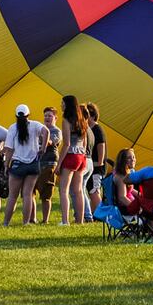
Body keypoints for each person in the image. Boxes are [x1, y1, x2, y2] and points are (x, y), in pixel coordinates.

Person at [0, 104, 47, 226]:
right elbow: (46, 131)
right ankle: (25, 222)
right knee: (28, 194)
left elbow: (9, 149)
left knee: (12, 196)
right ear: (28, 115)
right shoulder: (35, 125)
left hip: (17, 164)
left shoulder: (13, 128)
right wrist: (43, 148)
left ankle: (6, 223)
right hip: (33, 164)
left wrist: (6, 165)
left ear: (16, 116)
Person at [56, 95, 90, 225]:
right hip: (82, 156)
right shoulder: (82, 119)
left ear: (68, 105)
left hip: (71, 155)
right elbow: (85, 142)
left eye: (63, 103)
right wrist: (83, 155)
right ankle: (80, 221)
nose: (61, 105)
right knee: (79, 190)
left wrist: (59, 164)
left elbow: (67, 144)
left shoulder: (66, 120)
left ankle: (65, 221)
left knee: (63, 190)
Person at [35, 106, 62, 224]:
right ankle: (32, 218)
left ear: (55, 118)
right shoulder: (39, 129)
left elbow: (52, 142)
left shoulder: (57, 131)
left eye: (50, 115)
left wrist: (43, 137)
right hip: (37, 162)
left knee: (46, 192)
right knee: (31, 190)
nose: (47, 118)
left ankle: (45, 220)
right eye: (45, 115)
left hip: (49, 163)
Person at [84, 102, 108, 222]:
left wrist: (96, 162)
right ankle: (94, 215)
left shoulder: (97, 130)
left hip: (97, 168)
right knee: (91, 191)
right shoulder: (89, 129)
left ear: (92, 116)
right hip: (93, 166)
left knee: (94, 191)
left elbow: (101, 151)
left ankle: (103, 216)